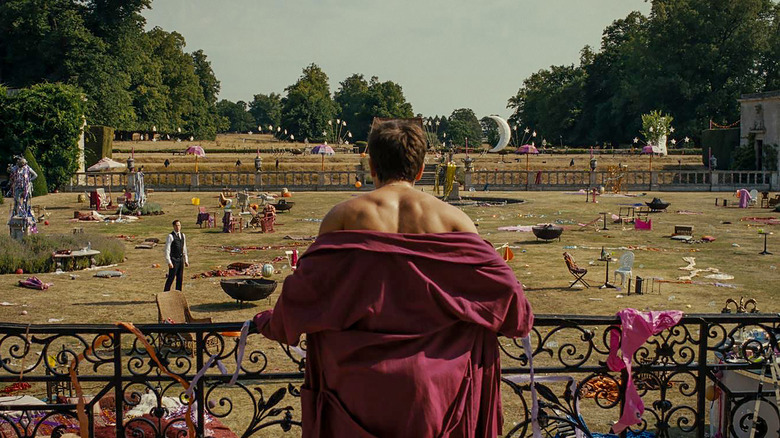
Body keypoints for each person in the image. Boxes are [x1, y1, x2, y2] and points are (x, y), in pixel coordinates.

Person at [253, 119, 534, 437]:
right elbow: (512, 308)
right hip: (439, 392)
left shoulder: (343, 217)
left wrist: (269, 322)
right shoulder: (455, 220)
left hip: (354, 390)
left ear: (371, 164)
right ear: (420, 168)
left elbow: (305, 296)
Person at [163, 220, 189, 291]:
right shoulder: (170, 236)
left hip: (180, 259)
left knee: (180, 278)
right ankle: (166, 293)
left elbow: (184, 248)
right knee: (171, 277)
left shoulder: (183, 235)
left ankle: (178, 293)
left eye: (179, 225)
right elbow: (167, 250)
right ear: (174, 226)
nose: (178, 227)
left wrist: (186, 260)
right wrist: (169, 262)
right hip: (174, 259)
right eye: (176, 225)